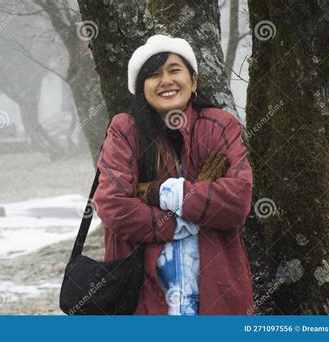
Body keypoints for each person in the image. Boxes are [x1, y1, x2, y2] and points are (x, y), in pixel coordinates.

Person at [93, 34, 254, 315]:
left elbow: (238, 199)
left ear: (193, 81)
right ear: (141, 88)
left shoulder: (220, 126)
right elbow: (112, 205)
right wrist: (175, 225)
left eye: (174, 70)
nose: (166, 80)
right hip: (142, 294)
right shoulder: (125, 131)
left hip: (217, 290)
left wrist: (170, 193)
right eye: (154, 74)